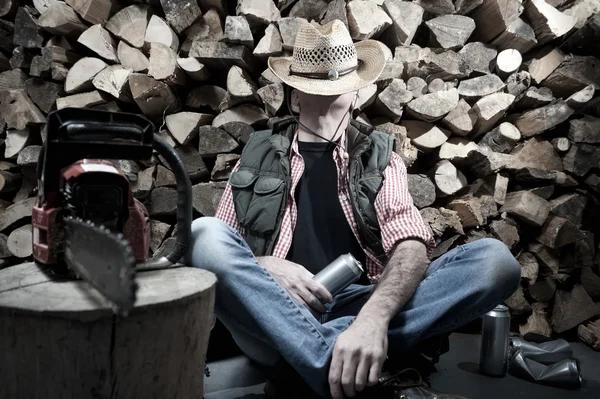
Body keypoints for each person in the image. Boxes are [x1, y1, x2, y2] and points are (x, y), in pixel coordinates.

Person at [186, 19, 521, 399]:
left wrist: (372, 319)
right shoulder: (256, 154)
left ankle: (313, 362)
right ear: (295, 97)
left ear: (358, 94)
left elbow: (410, 244)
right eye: (317, 90)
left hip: (359, 304)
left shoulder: (380, 157)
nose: (331, 100)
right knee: (202, 234)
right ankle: (340, 361)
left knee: (495, 261)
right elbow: (221, 246)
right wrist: (264, 267)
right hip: (275, 312)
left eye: (340, 88)